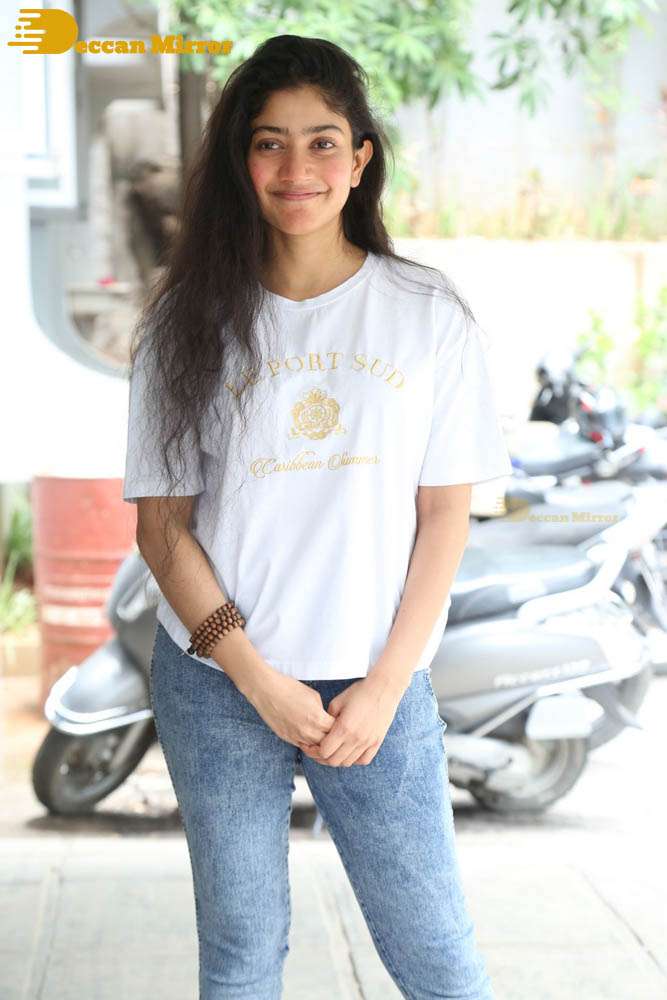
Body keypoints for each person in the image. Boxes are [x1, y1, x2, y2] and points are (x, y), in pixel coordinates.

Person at [122, 33, 511, 1000]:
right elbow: (162, 529)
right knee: (241, 956)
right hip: (220, 683)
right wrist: (256, 679)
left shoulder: (426, 313)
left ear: (360, 158)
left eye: (322, 141)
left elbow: (444, 515)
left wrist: (384, 686)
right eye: (269, 143)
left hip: (375, 683)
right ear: (240, 161)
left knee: (437, 955)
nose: (297, 168)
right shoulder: (184, 322)